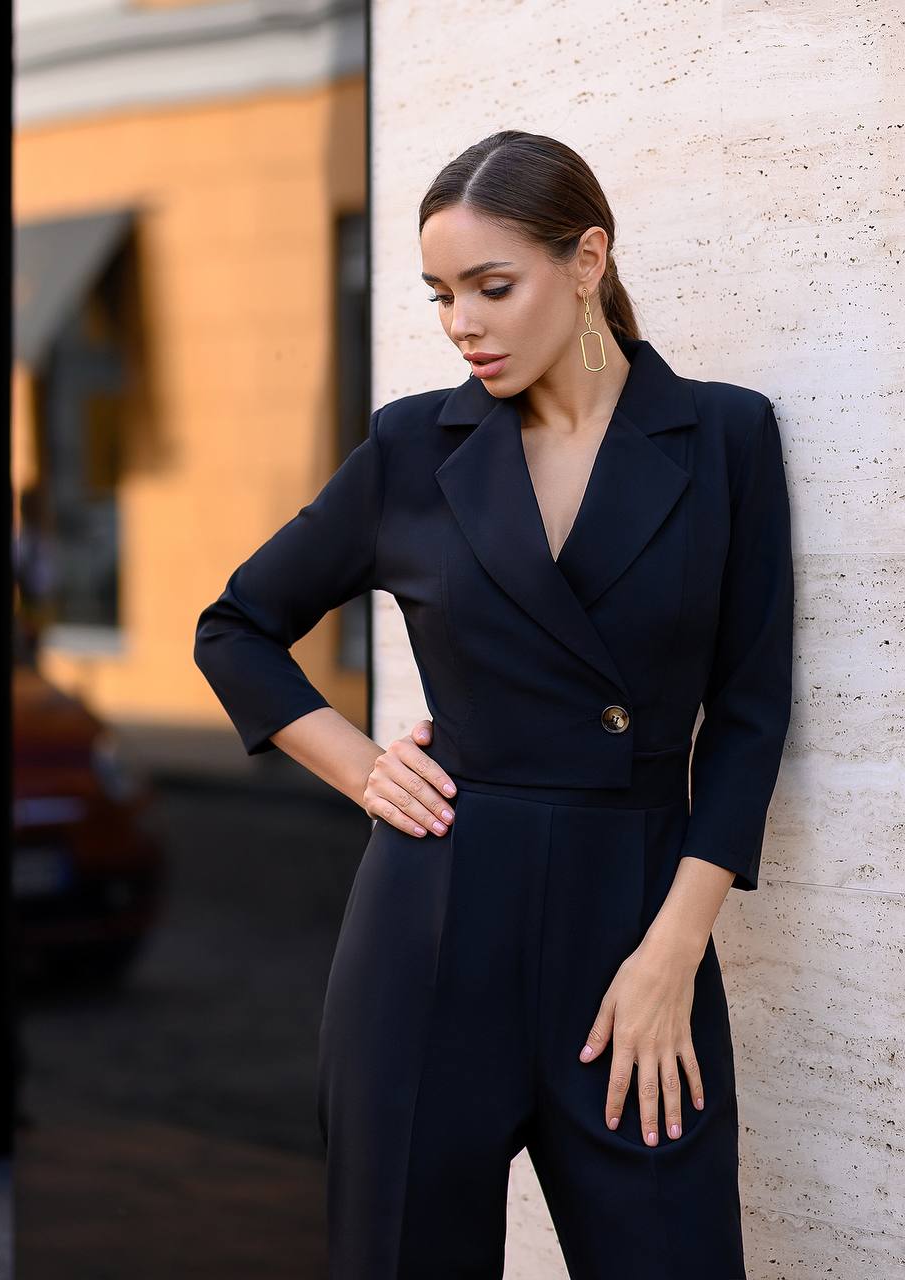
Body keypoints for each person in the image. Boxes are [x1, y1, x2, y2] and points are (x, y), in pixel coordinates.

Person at [193, 130, 794, 1280]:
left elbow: (750, 715)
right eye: (439, 294)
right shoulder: (416, 446)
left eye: (491, 285)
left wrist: (672, 955)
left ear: (586, 260)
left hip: (632, 936)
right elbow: (236, 627)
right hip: (430, 928)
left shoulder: (722, 436)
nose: (461, 322)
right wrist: (361, 765)